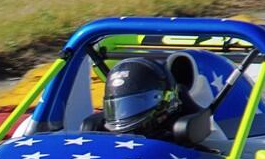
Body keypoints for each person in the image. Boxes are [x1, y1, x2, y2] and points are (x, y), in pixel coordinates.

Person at [82, 57, 211, 144]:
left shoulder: (181, 139)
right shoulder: (100, 132)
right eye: (119, 106)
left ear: (164, 101)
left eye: (136, 103)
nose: (125, 112)